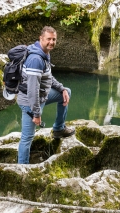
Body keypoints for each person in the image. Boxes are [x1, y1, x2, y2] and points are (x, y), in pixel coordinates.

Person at [17, 26, 75, 164]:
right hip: (29, 102)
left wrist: (61, 89)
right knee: (27, 137)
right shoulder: (36, 59)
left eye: (54, 39)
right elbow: (32, 91)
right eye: (48, 39)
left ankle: (59, 129)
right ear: (41, 39)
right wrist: (36, 114)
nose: (51, 42)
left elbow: (47, 77)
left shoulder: (44, 53)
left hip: (41, 96)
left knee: (66, 92)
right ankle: (21, 168)